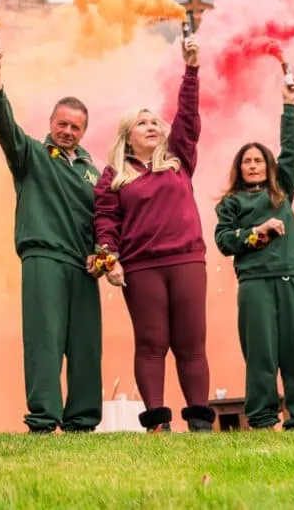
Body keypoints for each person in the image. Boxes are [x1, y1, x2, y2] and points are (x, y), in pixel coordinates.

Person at [93, 32, 213, 433]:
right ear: (128, 135)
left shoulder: (179, 159)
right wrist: (110, 258)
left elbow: (189, 117)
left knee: (191, 343)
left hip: (187, 260)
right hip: (141, 268)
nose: (151, 126)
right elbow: (105, 221)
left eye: (154, 122)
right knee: (151, 342)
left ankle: (198, 420)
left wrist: (191, 68)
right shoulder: (115, 175)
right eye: (141, 123)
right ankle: (157, 423)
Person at [0, 47, 101, 434]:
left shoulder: (94, 172)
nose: (67, 131)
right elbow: (6, 128)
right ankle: (44, 417)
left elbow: (107, 220)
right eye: (62, 123)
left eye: (75, 127)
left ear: (84, 131)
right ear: (51, 122)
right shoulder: (32, 154)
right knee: (44, 341)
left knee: (86, 344)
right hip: (43, 258)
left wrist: (106, 256)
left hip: (84, 266)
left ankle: (83, 419)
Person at [213, 72, 294, 430]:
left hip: (293, 280)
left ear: (269, 166)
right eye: (247, 161)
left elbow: (292, 151)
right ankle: (261, 417)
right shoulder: (231, 203)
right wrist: (256, 232)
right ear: (239, 169)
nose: (254, 165)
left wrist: (290, 105)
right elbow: (224, 241)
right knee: (260, 355)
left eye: (259, 160)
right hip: (255, 283)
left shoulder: (282, 192)